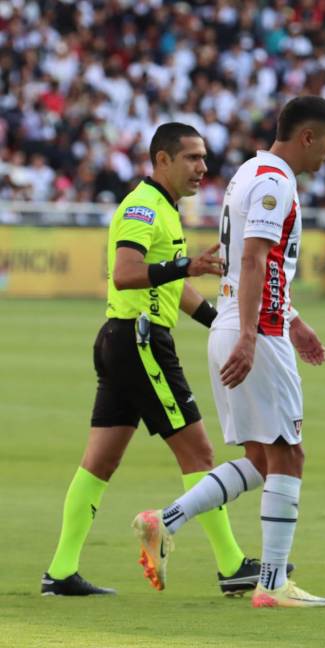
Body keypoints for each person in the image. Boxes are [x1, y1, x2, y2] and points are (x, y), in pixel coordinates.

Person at [41, 122, 269, 597]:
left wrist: (220, 323)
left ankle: (61, 571)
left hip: (122, 339)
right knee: (201, 455)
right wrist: (187, 264)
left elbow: (169, 283)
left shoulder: (163, 208)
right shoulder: (144, 207)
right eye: (192, 158)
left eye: (204, 158)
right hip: (140, 341)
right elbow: (127, 274)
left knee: (99, 463)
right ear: (161, 160)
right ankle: (231, 566)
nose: (202, 168)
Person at [133, 96, 325, 608]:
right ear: (307, 137)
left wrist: (293, 321)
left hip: (239, 321)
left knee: (260, 456)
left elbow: (254, 267)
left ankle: (166, 521)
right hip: (253, 329)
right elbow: (251, 260)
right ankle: (272, 584)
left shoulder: (249, 172)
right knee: (289, 452)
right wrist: (255, 333)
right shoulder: (275, 181)